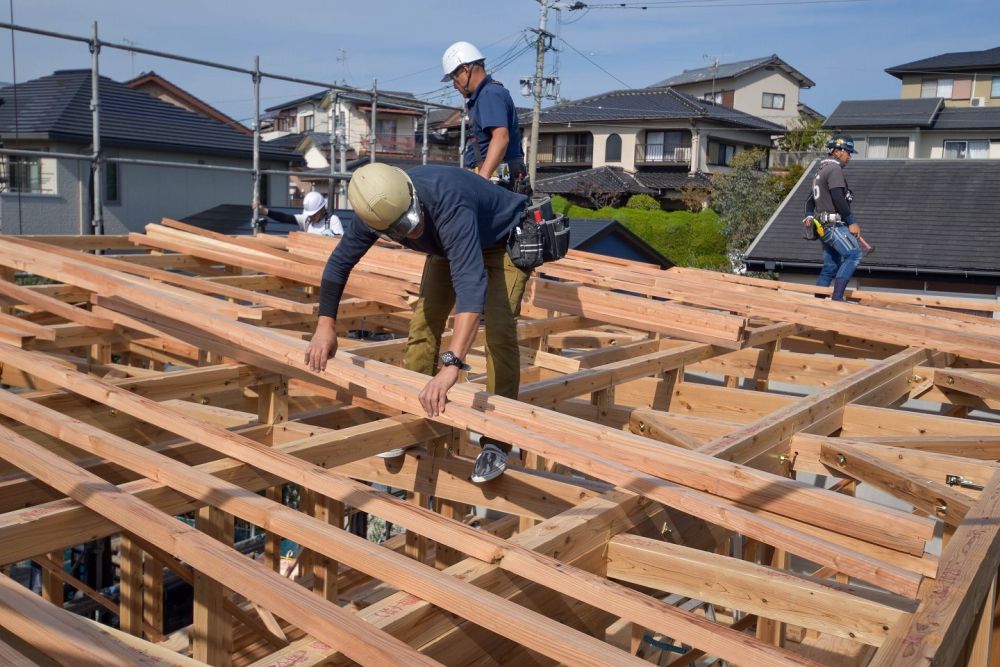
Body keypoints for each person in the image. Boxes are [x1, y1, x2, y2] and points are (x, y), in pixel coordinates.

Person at [306, 162, 532, 483]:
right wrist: (325, 325)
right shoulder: (374, 210)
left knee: (498, 331)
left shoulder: (447, 201)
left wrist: (452, 365)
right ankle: (411, 415)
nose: (411, 233)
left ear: (410, 194)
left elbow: (471, 285)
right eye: (401, 230)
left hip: (503, 238)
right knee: (423, 324)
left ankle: (496, 441)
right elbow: (339, 264)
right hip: (444, 243)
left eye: (411, 223)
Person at [441, 41, 530, 195]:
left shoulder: (490, 94)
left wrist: (482, 179)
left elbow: (501, 137)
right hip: (497, 173)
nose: (455, 86)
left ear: (464, 70)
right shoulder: (485, 95)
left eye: (454, 78)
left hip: (498, 174)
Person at [804, 134, 862, 301]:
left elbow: (809, 200)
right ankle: (837, 299)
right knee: (854, 254)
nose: (849, 156)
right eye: (848, 152)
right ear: (837, 151)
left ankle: (818, 302)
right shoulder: (834, 169)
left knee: (831, 266)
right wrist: (852, 222)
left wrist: (808, 216)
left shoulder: (820, 171)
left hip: (823, 226)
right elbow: (838, 197)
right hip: (833, 225)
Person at [256, 191, 344, 236]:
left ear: (321, 210)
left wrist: (332, 236)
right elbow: (286, 218)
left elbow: (341, 242)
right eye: (310, 215)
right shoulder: (307, 220)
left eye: (313, 215)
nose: (311, 217)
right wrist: (264, 211)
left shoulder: (332, 220)